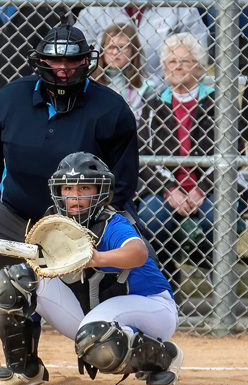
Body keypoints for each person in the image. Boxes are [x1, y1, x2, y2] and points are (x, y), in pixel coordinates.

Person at [0, 23, 140, 378]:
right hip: (15, 212)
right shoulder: (10, 99)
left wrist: (99, 231)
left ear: (89, 61)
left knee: (125, 269)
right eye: (54, 62)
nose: (63, 69)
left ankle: (133, 348)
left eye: (73, 61)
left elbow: (123, 185)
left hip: (76, 225)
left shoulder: (110, 109)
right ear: (38, 62)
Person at [0, 152, 182, 385]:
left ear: (101, 192)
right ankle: (25, 369)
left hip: (151, 307)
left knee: (98, 339)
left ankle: (163, 356)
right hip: (95, 312)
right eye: (68, 189)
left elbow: (138, 253)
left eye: (84, 188)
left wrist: (94, 258)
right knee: (15, 278)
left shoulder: (111, 224)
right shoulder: (55, 225)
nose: (74, 197)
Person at [137, 33, 247, 292]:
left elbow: (234, 150)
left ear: (199, 67)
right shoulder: (153, 105)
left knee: (216, 217)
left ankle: (220, 284)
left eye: (186, 61)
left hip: (213, 187)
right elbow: (144, 158)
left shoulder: (221, 103)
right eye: (171, 62)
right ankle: (166, 285)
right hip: (167, 189)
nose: (177, 67)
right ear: (164, 69)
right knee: (150, 218)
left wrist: (202, 189)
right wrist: (170, 190)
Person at [74, 4, 208, 88]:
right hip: (107, 90)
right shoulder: (96, 9)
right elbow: (76, 52)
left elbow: (198, 48)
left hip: (165, 91)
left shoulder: (178, 6)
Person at [91, 22, 155, 120]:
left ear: (133, 50)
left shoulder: (146, 87)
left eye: (121, 47)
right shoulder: (90, 82)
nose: (115, 52)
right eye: (111, 47)